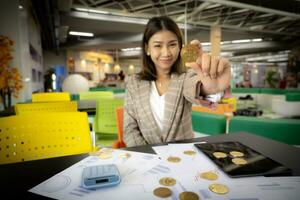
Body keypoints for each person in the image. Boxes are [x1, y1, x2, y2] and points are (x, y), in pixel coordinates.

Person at [124, 16, 231, 147]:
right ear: (147, 48)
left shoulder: (186, 77)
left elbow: (198, 90)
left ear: (180, 46)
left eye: (172, 44)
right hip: (147, 159)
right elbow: (129, 128)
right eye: (158, 45)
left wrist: (213, 89)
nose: (166, 53)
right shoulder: (134, 83)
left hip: (184, 157)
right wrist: (147, 156)